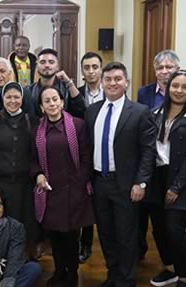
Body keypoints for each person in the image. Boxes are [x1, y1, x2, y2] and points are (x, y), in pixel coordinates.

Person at [87, 62, 156, 287]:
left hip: (126, 185)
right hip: (99, 182)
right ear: (102, 83)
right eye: (108, 79)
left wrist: (141, 182)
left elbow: (148, 151)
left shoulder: (139, 111)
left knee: (126, 238)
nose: (113, 83)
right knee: (105, 234)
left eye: (118, 79)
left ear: (126, 82)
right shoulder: (92, 111)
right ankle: (113, 277)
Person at [144, 70, 186, 287]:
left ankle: (184, 278)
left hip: (181, 178)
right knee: (158, 228)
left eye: (185, 87)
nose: (179, 90)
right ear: (168, 89)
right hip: (156, 178)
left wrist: (177, 186)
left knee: (175, 230)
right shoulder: (155, 113)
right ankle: (169, 267)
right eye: (175, 86)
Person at [31, 86, 93, 287]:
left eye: (55, 99)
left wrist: (79, 184)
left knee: (70, 237)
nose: (52, 103)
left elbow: (86, 157)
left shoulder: (78, 125)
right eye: (47, 101)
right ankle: (58, 272)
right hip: (49, 191)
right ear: (41, 107)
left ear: (62, 102)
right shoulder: (37, 131)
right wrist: (38, 174)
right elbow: (32, 160)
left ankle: (72, 274)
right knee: (55, 236)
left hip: (74, 189)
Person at [0, 82, 39, 250]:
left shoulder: (31, 121)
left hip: (23, 184)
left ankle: (18, 260)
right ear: (2, 99)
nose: (12, 101)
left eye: (16, 97)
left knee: (20, 225)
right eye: (8, 97)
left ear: (22, 99)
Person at [77, 51, 105, 263]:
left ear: (101, 69)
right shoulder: (74, 94)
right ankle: (84, 245)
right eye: (87, 67)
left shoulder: (112, 93)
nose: (91, 71)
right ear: (82, 71)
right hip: (82, 155)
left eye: (95, 67)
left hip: (106, 156)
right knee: (84, 200)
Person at [26, 48, 85, 118]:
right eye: (42, 62)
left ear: (57, 66)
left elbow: (81, 109)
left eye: (51, 62)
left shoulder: (66, 88)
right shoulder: (29, 91)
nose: (47, 65)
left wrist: (68, 82)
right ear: (37, 66)